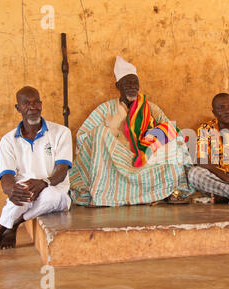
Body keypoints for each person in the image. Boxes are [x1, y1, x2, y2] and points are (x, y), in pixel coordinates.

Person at [69, 56, 194, 206]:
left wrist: (150, 141)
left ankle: (174, 191)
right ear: (118, 85)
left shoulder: (149, 107)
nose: (132, 86)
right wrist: (116, 122)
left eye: (135, 82)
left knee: (170, 133)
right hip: (114, 158)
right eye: (127, 83)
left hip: (145, 155)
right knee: (100, 132)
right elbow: (84, 137)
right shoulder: (106, 108)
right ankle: (103, 194)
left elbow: (169, 127)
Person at [0, 86, 72, 252]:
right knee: (24, 190)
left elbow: (62, 171)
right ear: (18, 108)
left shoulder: (61, 132)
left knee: (51, 195)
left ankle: (5, 229)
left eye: (36, 103)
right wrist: (12, 190)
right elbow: (6, 177)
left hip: (54, 190)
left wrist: (43, 183)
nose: (32, 108)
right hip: (25, 195)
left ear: (41, 105)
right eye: (26, 104)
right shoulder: (8, 140)